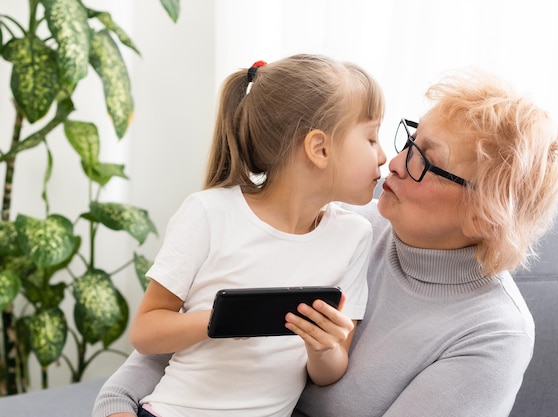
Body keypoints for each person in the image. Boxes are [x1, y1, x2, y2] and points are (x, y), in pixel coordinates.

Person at [93, 68, 558, 417]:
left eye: (426, 160)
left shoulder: (493, 332)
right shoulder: (345, 223)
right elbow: (171, 343)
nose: (395, 163)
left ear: (485, 212)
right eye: (411, 140)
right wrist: (116, 408)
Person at [116, 54, 387, 417]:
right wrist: (220, 320)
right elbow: (145, 333)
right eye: (370, 138)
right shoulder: (209, 214)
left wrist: (324, 349)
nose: (384, 156)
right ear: (320, 149)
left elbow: (327, 374)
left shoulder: (354, 236)